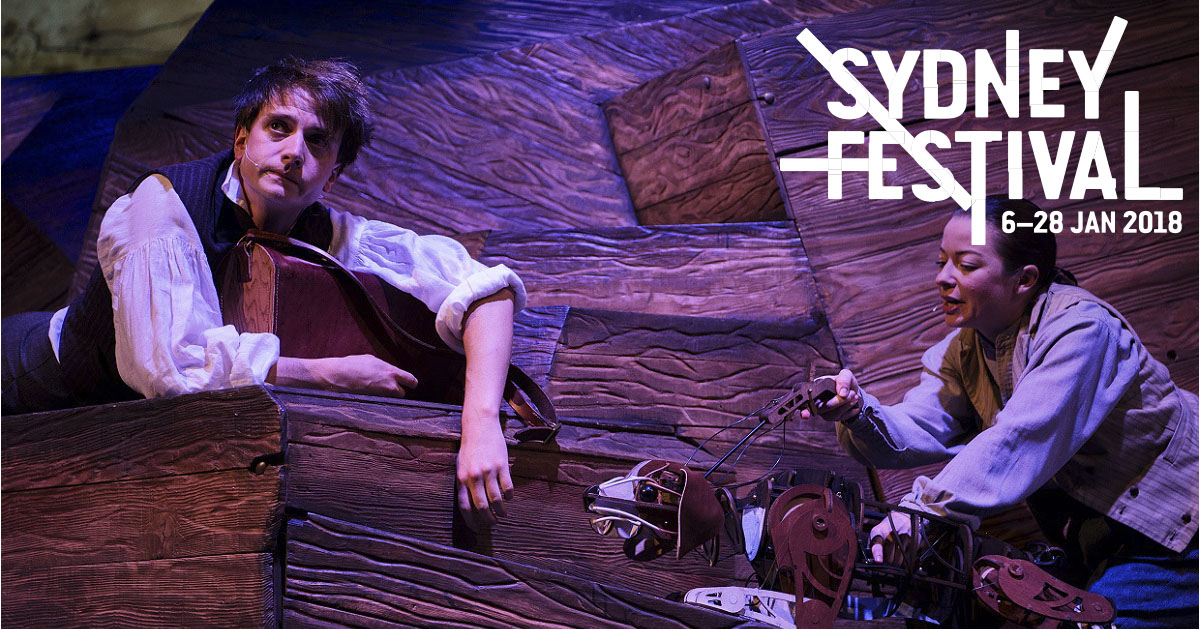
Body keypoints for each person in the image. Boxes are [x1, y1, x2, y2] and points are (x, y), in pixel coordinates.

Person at [1, 57, 523, 527]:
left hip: (126, 442)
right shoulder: (165, 204)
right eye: (279, 127)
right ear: (241, 141)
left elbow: (484, 290)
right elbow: (171, 366)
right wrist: (330, 372)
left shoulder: (333, 235)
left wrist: (481, 424)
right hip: (36, 379)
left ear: (332, 176)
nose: (294, 152)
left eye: (317, 141)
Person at [801, 197, 1198, 627]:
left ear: (1024, 279)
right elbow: (919, 425)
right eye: (942, 262)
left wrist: (923, 513)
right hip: (1105, 543)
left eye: (966, 265)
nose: (942, 278)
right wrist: (856, 411)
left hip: (1176, 528)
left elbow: (1019, 438)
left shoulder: (1082, 329)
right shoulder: (965, 350)